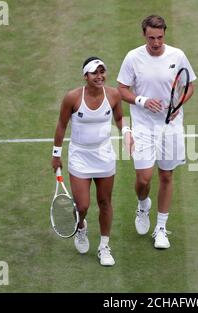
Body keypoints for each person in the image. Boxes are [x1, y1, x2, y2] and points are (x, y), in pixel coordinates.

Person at [117, 15, 196, 249]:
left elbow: (189, 86)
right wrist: (141, 100)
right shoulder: (133, 58)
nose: (156, 42)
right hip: (142, 126)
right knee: (143, 178)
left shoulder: (177, 56)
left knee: (166, 175)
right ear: (144, 35)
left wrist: (178, 106)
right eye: (151, 38)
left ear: (164, 34)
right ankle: (143, 205)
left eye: (160, 37)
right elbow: (121, 89)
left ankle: (160, 228)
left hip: (170, 126)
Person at [52, 57, 133, 266]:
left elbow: (119, 117)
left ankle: (104, 246)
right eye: (94, 73)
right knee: (82, 205)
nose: (99, 76)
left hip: (104, 155)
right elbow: (61, 125)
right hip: (80, 157)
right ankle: (81, 227)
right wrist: (55, 154)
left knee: (105, 202)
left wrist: (126, 132)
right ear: (85, 76)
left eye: (102, 72)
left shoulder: (113, 94)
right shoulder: (72, 98)